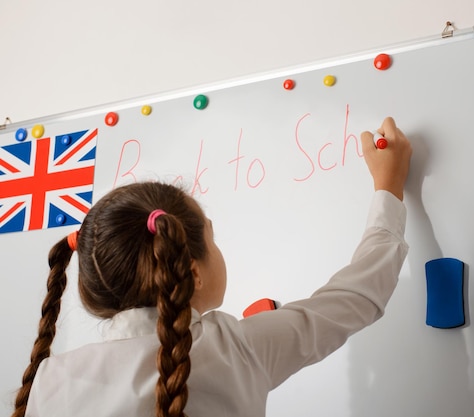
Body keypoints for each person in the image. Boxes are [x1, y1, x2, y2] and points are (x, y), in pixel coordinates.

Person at [12, 116, 412, 417]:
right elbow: (357, 298)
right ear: (193, 270)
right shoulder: (235, 348)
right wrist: (389, 188)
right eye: (212, 236)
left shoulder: (49, 379)